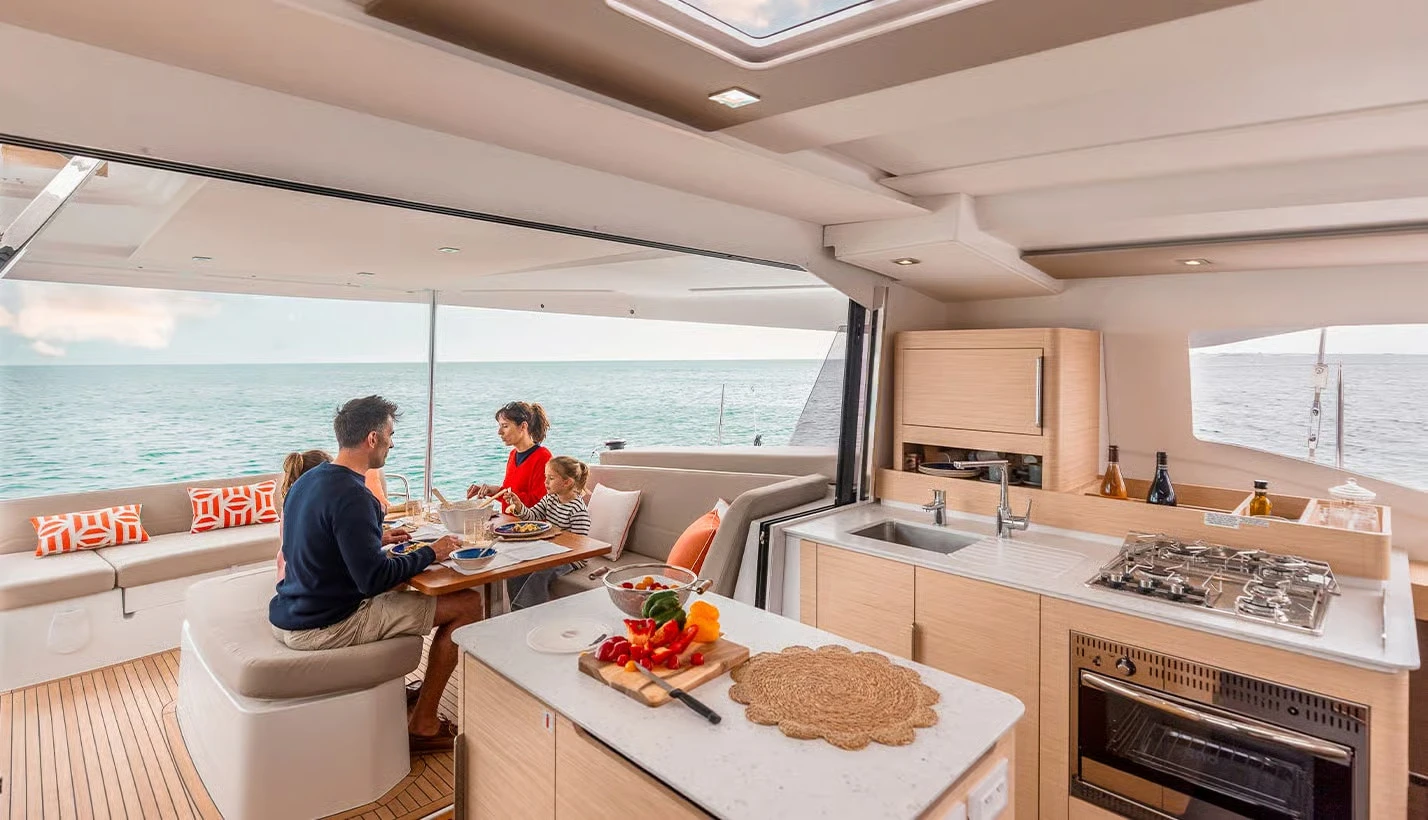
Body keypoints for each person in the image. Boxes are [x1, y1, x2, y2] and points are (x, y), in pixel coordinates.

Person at [268, 395, 482, 754]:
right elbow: (374, 580)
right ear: (372, 438)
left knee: (410, 591)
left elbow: (315, 538)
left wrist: (373, 539)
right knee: (468, 604)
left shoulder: (309, 480)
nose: (391, 444)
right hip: (325, 625)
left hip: (291, 611)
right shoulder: (355, 495)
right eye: (390, 435)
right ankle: (424, 724)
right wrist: (434, 551)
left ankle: (405, 694)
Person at [273, 451, 406, 581]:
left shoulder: (294, 505)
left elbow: (328, 549)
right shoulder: (327, 505)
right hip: (320, 588)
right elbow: (370, 575)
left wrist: (375, 541)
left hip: (289, 582)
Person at [498, 456, 592, 609]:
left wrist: (553, 549)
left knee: (541, 573)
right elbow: (532, 516)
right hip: (552, 551)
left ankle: (524, 609)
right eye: (546, 477)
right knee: (517, 569)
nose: (545, 482)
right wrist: (518, 505)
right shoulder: (550, 499)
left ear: (567, 482)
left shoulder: (577, 509)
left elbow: (579, 546)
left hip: (572, 558)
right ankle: (516, 610)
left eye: (551, 478)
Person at [465, 401, 552, 510]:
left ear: (523, 426)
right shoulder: (513, 454)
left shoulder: (543, 457)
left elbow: (540, 503)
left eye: (505, 426)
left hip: (527, 521)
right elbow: (512, 495)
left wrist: (501, 492)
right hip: (509, 520)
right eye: (500, 426)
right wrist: (493, 491)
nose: (499, 432)